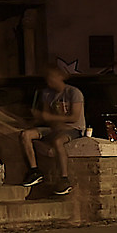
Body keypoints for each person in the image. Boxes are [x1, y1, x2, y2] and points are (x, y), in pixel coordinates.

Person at [29, 61, 84, 198]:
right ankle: (34, 171)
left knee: (58, 142)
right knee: (26, 135)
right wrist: (39, 117)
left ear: (60, 77)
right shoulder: (47, 94)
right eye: (47, 78)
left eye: (52, 77)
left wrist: (49, 117)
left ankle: (64, 178)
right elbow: (47, 117)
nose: (49, 81)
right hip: (53, 128)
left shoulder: (73, 92)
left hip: (71, 128)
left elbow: (74, 117)